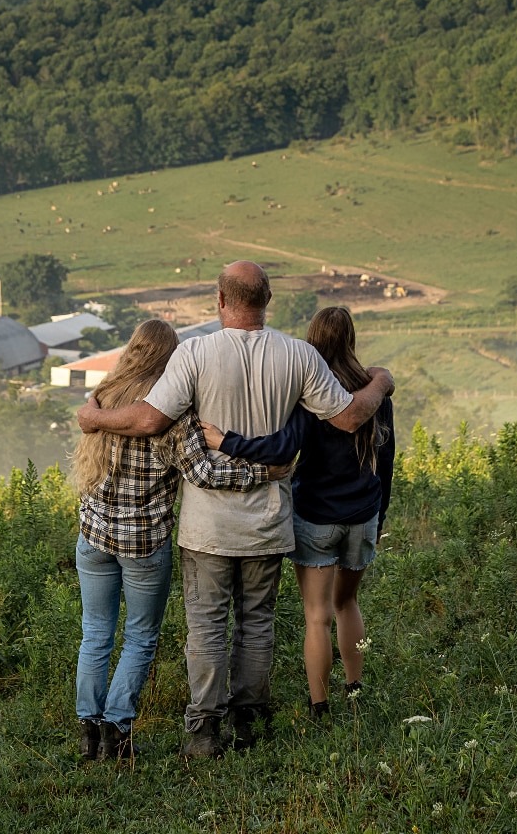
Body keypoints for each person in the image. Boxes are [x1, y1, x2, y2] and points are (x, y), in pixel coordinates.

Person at [79, 262, 393, 758]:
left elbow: (147, 419)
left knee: (206, 628)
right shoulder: (300, 355)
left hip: (206, 528)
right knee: (257, 623)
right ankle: (250, 721)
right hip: (268, 524)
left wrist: (94, 417)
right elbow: (351, 415)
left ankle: (204, 732)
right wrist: (382, 380)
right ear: (267, 300)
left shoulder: (195, 354)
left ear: (220, 301)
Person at [71, 318, 283, 762]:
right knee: (140, 637)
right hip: (144, 542)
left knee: (95, 633)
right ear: (171, 360)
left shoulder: (103, 399)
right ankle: (117, 728)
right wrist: (263, 471)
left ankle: (89, 733)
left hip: (92, 536)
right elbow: (204, 472)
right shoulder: (170, 415)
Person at [205, 305, 394, 717]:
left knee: (316, 617)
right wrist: (379, 518)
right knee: (348, 604)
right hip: (363, 515)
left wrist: (226, 441)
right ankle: (355, 690)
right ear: (351, 339)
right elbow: (388, 464)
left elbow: (280, 449)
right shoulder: (374, 393)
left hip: (315, 517)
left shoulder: (308, 394)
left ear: (313, 340)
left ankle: (319, 706)